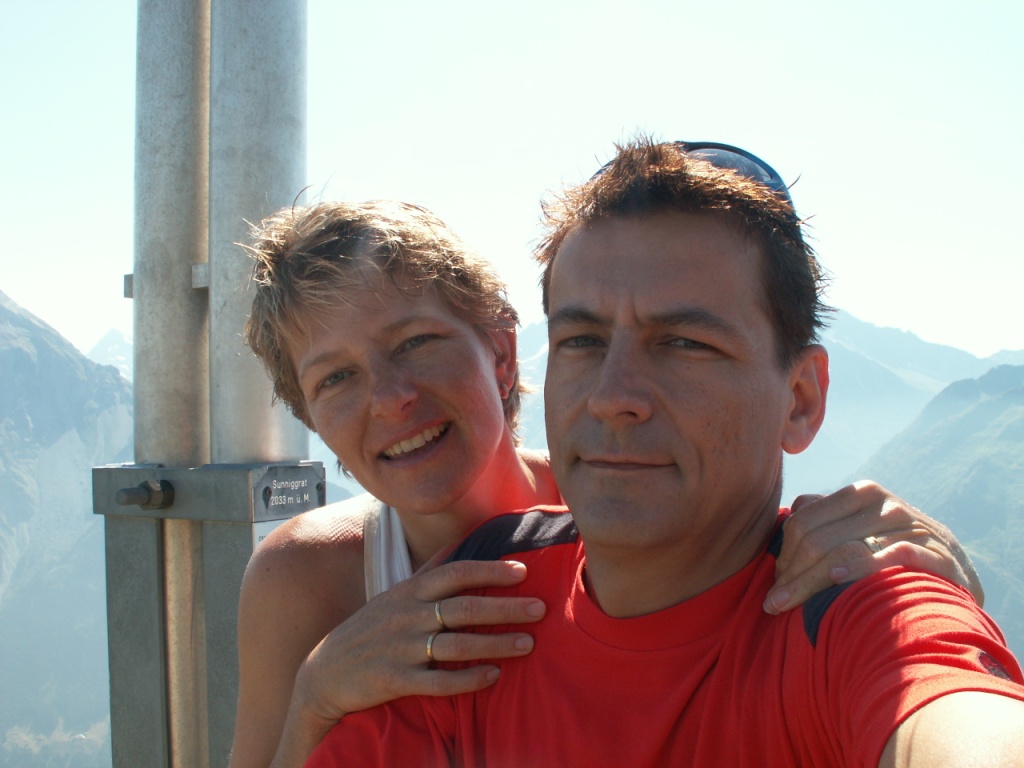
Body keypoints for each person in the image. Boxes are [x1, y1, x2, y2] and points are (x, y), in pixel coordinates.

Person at [303, 139, 1024, 767]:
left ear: (800, 400)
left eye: (684, 343)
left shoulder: (852, 605)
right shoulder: (475, 611)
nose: (613, 395)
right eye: (582, 341)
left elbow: (956, 716)